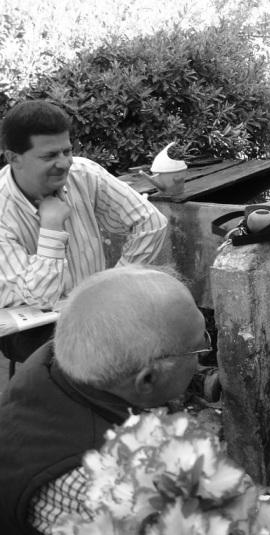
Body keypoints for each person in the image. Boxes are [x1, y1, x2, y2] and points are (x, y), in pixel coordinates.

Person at [0, 265, 210, 535]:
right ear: (146, 380)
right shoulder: (104, 489)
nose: (202, 357)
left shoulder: (66, 355)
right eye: (199, 348)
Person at [0, 100, 168, 363]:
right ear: (13, 158)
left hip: (93, 305)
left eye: (66, 151)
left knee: (163, 318)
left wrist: (114, 286)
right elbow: (41, 297)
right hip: (29, 322)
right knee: (87, 354)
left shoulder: (84, 174)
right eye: (49, 156)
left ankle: (187, 376)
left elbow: (151, 223)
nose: (64, 163)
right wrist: (51, 227)